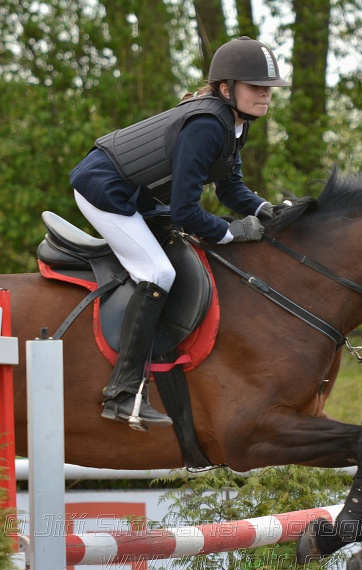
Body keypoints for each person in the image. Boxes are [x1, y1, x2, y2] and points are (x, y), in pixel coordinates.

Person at [69, 36, 290, 429]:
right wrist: (232, 232)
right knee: (157, 273)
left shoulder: (236, 125)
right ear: (226, 89)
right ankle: (121, 394)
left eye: (268, 88)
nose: (266, 95)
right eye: (257, 87)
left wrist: (263, 210)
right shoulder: (206, 126)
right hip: (105, 188)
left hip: (137, 193)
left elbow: (229, 189)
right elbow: (188, 212)